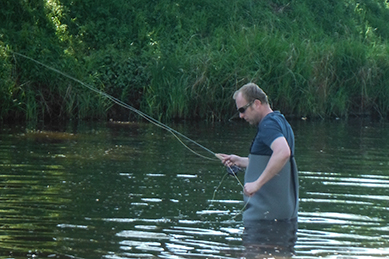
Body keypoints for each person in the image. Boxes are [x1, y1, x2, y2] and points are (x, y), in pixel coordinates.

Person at [217, 83, 299, 256]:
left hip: (264, 222)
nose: (240, 115)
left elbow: (283, 152)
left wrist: (256, 184)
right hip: (284, 220)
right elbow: (274, 160)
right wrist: (241, 161)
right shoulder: (281, 122)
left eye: (242, 109)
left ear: (256, 103)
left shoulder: (268, 125)